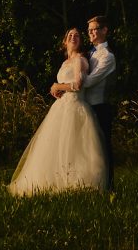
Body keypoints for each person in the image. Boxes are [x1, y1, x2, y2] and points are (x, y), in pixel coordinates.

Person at [7, 28, 108, 196]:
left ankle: (77, 184)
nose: (74, 37)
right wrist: (56, 91)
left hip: (76, 107)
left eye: (77, 36)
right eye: (70, 35)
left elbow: (77, 85)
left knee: (74, 147)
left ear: (80, 41)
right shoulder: (65, 63)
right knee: (56, 146)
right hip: (61, 107)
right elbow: (66, 84)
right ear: (65, 41)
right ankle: (55, 182)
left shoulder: (80, 60)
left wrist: (57, 86)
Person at [54, 15, 116, 190]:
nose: (91, 32)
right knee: (79, 148)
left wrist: (60, 86)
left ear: (104, 30)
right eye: (89, 30)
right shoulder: (89, 53)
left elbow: (86, 83)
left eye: (95, 29)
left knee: (101, 150)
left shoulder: (108, 57)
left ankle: (106, 187)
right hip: (82, 106)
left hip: (99, 106)